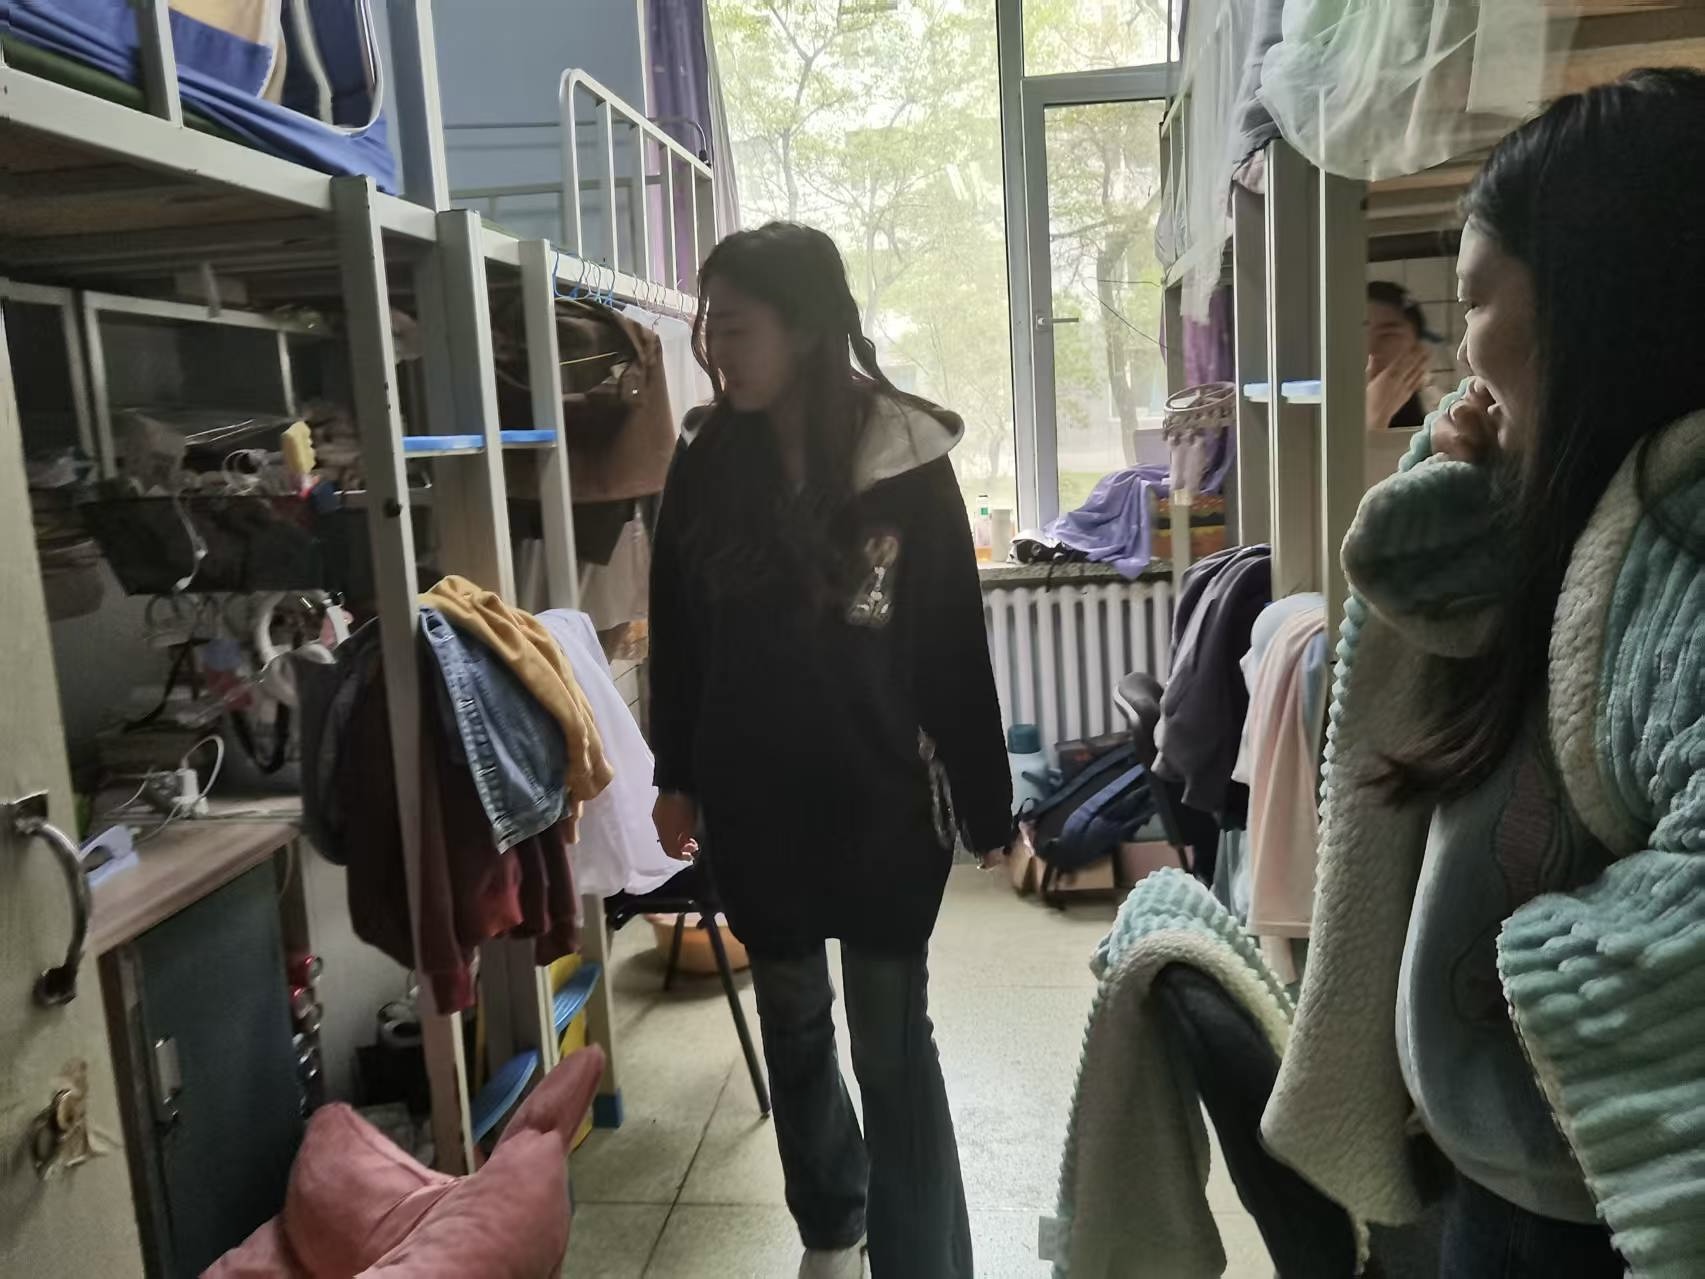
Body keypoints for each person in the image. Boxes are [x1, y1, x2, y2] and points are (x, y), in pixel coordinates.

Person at [1260, 69, 1705, 1278]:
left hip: (1600, 1193)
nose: (1462, 357)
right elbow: (1420, 612)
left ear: (1590, 306)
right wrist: (1465, 491)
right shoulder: (1585, 514)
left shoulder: (1680, 541)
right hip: (1509, 1168)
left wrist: (1510, 970)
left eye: (1472, 306)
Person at [647, 223, 1011, 1279]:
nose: (714, 348)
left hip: (880, 801)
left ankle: (922, 1260)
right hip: (755, 801)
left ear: (804, 327)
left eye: (735, 327)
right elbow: (679, 630)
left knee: (891, 1047)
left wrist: (988, 805)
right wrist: (675, 774)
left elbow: (950, 641)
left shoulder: (905, 456)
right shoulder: (707, 456)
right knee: (796, 1029)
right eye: (709, 326)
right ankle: (829, 1226)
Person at [1365, 279, 1443, 430]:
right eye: (1357, 336)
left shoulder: (1442, 414)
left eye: (1388, 335)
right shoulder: (1324, 414)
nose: (1371, 350)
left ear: (1417, 347)